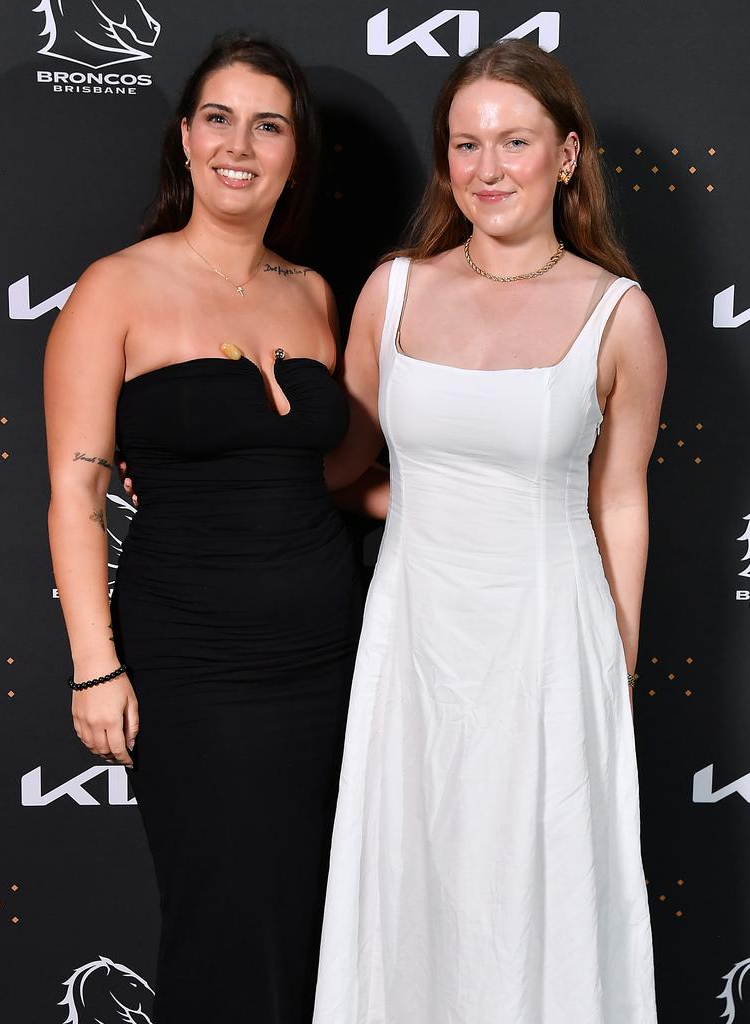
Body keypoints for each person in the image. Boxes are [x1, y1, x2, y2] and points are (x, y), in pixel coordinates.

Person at [314, 39, 665, 1023]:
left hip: (551, 649)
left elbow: (622, 500)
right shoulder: (391, 293)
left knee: (536, 900)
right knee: (413, 892)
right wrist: (213, 466)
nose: (487, 168)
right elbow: (349, 469)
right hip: (415, 644)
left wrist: (613, 667)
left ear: (565, 154)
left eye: (514, 141)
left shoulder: (619, 316)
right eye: (465, 145)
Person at [45, 35, 364, 1024]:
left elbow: (333, 471)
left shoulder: (312, 294)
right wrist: (95, 666)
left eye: (269, 124)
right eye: (219, 118)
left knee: (318, 915)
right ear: (185, 139)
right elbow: (73, 494)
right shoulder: (116, 288)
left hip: (328, 652)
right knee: (222, 914)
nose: (241, 143)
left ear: (293, 154)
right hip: (195, 656)